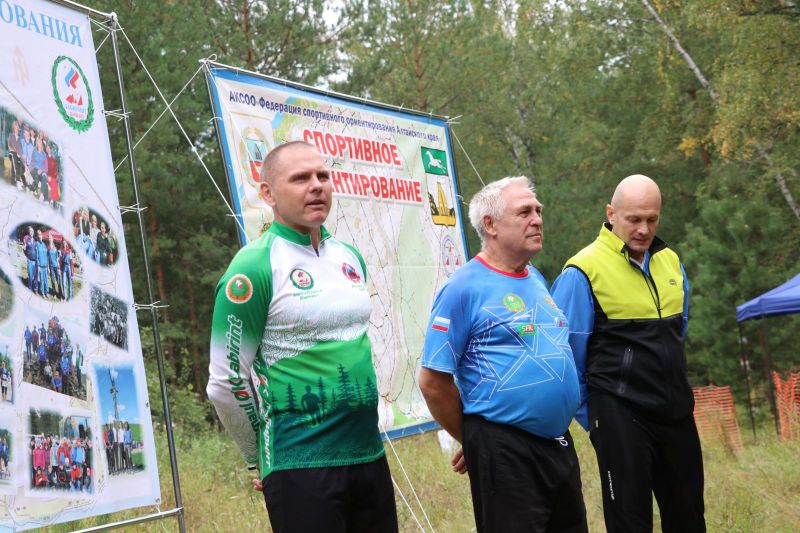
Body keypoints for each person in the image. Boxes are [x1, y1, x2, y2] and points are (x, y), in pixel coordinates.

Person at [207, 141, 397, 533]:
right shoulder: (253, 266)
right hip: (300, 464)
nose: (316, 186)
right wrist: (258, 456)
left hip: (368, 455)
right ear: (268, 193)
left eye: (323, 176)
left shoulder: (348, 256)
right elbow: (225, 381)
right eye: (300, 178)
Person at [419, 177, 587, 533]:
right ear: (491, 224)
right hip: (506, 450)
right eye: (524, 212)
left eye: (538, 210)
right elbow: (433, 381)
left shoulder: (534, 278)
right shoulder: (462, 288)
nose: (537, 219)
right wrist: (476, 441)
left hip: (557, 444)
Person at [551, 174, 705, 533]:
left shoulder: (671, 261)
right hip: (620, 418)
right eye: (634, 219)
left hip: (676, 413)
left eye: (652, 219)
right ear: (611, 214)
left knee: (690, 520)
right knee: (630, 524)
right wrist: (596, 420)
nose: (643, 229)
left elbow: (677, 333)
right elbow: (564, 359)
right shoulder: (582, 270)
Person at [34, 229, 48, 297]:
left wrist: (47, 265)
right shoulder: (36, 244)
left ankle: (46, 292)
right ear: (37, 236)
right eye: (38, 235)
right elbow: (36, 256)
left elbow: (46, 256)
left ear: (42, 236)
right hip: (40, 266)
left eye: (40, 235)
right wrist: (38, 265)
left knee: (46, 280)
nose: (40, 236)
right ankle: (42, 292)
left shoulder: (44, 245)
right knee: (41, 279)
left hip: (45, 265)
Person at [22, 226, 37, 292]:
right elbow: (24, 249)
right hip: (30, 260)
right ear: (29, 232)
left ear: (33, 232)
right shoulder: (26, 239)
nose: (31, 232)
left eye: (32, 231)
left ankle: (35, 289)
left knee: (35, 275)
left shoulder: (34, 240)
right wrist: (27, 256)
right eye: (30, 231)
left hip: (35, 261)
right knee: (30, 275)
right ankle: (30, 288)